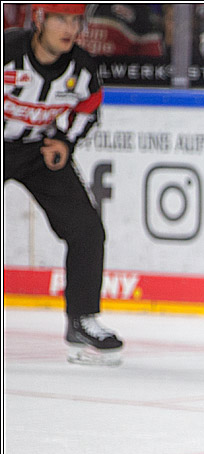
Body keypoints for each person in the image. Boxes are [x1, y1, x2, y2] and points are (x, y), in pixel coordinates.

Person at [4, 3, 123, 365]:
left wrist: (66, 142)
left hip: (39, 152)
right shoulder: (8, 51)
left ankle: (82, 320)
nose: (70, 28)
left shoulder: (82, 67)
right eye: (61, 19)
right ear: (40, 20)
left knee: (87, 230)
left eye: (76, 20)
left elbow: (90, 107)